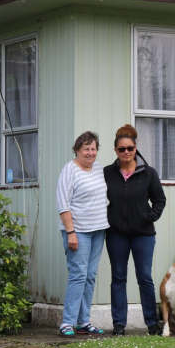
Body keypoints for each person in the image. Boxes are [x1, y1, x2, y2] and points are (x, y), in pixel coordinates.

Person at [103, 124, 166, 336]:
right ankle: (119, 324)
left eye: (130, 148)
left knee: (144, 277)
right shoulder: (107, 173)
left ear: (135, 148)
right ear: (116, 151)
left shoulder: (148, 173)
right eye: (122, 149)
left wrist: (147, 218)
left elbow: (159, 200)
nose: (126, 152)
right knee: (118, 278)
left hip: (143, 235)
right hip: (116, 235)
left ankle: (151, 324)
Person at [56, 131, 109, 337]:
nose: (90, 153)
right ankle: (67, 323)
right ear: (77, 150)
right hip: (77, 232)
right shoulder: (69, 171)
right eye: (86, 149)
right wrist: (71, 232)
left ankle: (83, 321)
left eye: (93, 149)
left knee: (90, 276)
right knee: (78, 275)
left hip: (98, 231)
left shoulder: (99, 169)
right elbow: (63, 204)